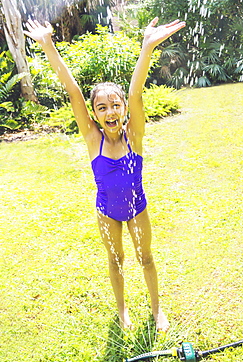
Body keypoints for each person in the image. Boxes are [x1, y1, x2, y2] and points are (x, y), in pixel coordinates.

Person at [24, 17, 186, 331]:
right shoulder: (92, 138)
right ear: (95, 114)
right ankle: (122, 310)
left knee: (146, 259)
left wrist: (146, 49)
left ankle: (156, 311)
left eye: (115, 105)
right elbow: (72, 91)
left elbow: (137, 92)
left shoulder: (133, 136)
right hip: (106, 212)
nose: (110, 112)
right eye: (102, 107)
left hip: (137, 208)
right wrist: (48, 46)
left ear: (124, 108)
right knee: (115, 260)